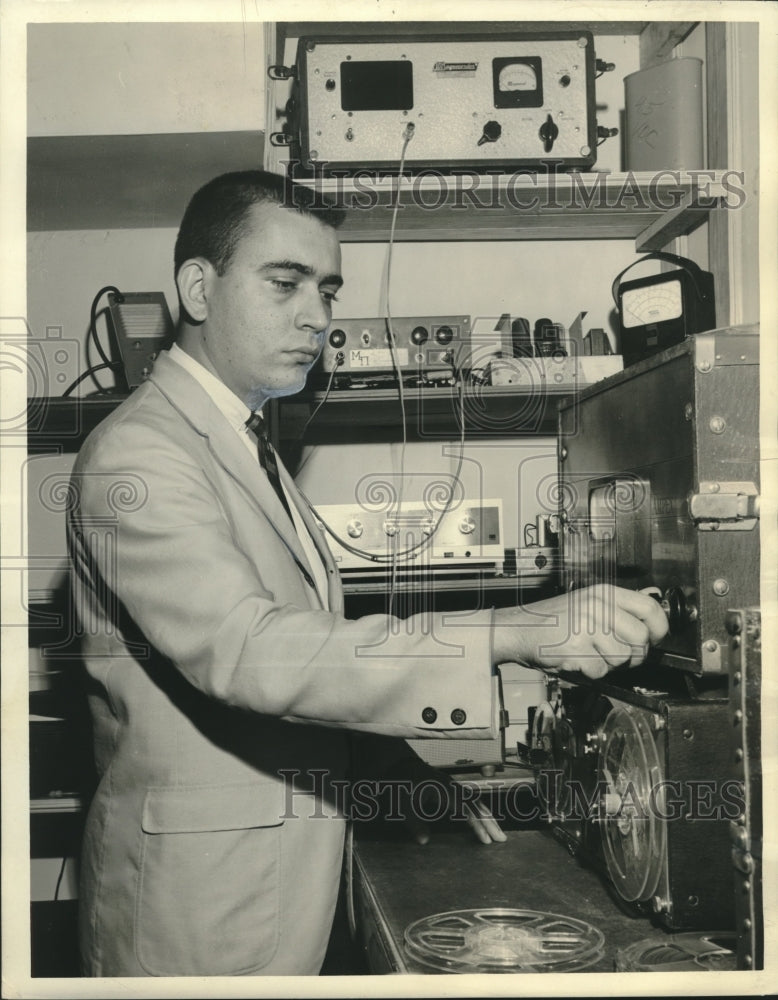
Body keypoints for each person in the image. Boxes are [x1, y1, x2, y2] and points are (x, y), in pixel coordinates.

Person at [67, 169, 668, 977]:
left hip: (275, 888)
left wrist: (405, 779)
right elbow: (254, 653)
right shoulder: (139, 453)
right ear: (197, 288)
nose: (316, 317)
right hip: (199, 912)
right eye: (284, 284)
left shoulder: (247, 443)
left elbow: (322, 657)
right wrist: (515, 628)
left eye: (328, 290)